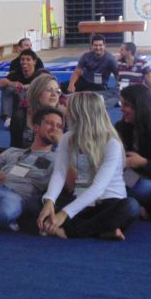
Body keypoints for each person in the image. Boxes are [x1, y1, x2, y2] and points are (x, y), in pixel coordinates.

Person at [38, 92, 140, 240]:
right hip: (81, 200)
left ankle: (69, 231)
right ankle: (102, 231)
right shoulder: (67, 138)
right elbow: (59, 173)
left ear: (81, 115)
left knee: (131, 206)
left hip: (109, 202)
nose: (66, 112)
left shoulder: (112, 144)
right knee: (41, 201)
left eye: (69, 110)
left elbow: (98, 188)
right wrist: (49, 201)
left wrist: (64, 214)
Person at [115, 84, 151, 217]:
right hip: (130, 177)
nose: (121, 108)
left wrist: (143, 162)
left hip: (149, 179)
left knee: (145, 187)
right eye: (121, 103)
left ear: (140, 106)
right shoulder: (121, 126)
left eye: (126, 105)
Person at [0, 49, 47, 129]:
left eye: (28, 59)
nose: (25, 62)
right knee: (7, 88)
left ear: (34, 61)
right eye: (22, 59)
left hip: (33, 104)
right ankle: (8, 119)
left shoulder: (40, 73)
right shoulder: (17, 73)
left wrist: (30, 86)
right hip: (19, 103)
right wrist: (12, 83)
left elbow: (48, 81)